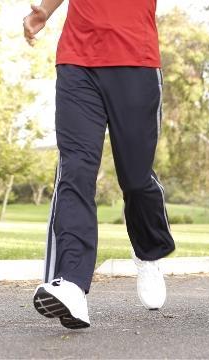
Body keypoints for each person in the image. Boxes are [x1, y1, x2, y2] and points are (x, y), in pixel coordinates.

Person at [22, 0, 176, 329]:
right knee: (75, 170)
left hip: (136, 59)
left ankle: (148, 251)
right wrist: (44, 12)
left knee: (136, 178)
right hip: (78, 59)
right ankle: (71, 283)